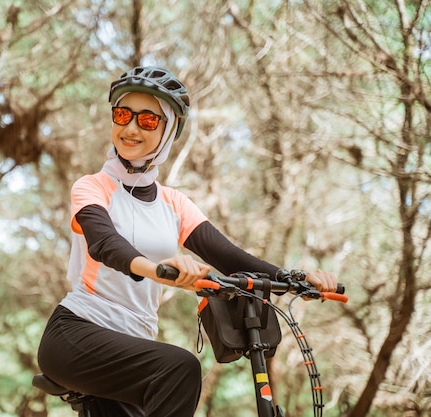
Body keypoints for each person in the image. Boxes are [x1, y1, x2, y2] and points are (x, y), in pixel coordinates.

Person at [36, 66, 338, 417]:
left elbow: (228, 256)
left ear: (168, 132)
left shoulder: (174, 204)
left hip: (133, 345)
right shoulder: (92, 187)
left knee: (171, 372)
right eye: (122, 114)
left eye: (148, 120)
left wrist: (297, 278)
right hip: (77, 333)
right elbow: (105, 244)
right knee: (180, 367)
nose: (130, 128)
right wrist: (160, 269)